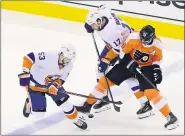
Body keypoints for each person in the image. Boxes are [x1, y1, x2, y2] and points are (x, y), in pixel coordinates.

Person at [76, 25, 179, 130]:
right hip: (128, 62)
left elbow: (157, 60)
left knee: (151, 92)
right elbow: (122, 54)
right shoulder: (133, 38)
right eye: (142, 40)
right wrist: (129, 63)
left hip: (146, 66)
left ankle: (170, 117)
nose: (143, 42)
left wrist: (157, 70)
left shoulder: (157, 45)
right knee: (104, 82)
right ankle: (87, 106)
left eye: (146, 41)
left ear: (152, 37)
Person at [84, 5, 153, 118]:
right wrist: (89, 24)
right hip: (120, 43)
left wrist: (106, 60)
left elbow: (118, 51)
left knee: (128, 77)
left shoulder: (110, 32)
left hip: (127, 49)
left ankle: (145, 104)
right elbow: (104, 7)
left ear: (99, 21)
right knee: (100, 69)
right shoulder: (104, 15)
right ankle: (103, 98)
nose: (93, 26)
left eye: (93, 25)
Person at [18, 44, 87, 130]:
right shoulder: (49, 56)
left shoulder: (69, 66)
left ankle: (75, 119)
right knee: (39, 114)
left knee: (66, 103)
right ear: (60, 54)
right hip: (36, 84)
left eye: (68, 61)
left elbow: (62, 78)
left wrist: (55, 85)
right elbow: (29, 57)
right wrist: (25, 72)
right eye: (65, 60)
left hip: (52, 83)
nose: (66, 63)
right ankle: (29, 102)